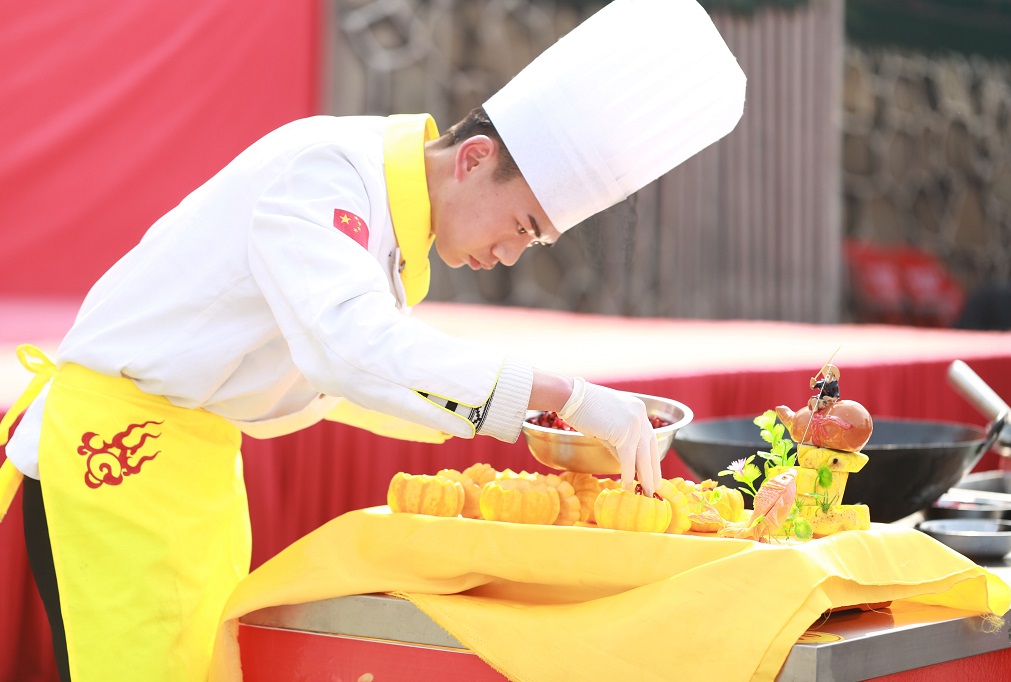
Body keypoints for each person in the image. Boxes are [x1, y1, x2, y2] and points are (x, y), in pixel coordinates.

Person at [0, 0, 745, 680]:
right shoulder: (326, 171)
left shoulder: (389, 220)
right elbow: (350, 345)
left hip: (190, 464)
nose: (510, 254)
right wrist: (563, 394)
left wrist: (529, 419)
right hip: (118, 455)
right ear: (475, 159)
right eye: (522, 226)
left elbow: (349, 374)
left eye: (533, 243)